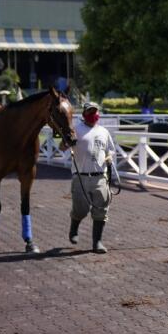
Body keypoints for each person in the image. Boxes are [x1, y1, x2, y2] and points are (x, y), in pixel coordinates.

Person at [61, 101, 116, 254]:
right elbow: (62, 147)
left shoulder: (104, 132)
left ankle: (97, 242)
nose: (93, 115)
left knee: (101, 210)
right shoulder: (76, 130)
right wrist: (66, 143)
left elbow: (111, 150)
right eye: (90, 112)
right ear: (84, 114)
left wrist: (110, 157)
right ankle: (74, 227)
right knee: (80, 210)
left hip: (100, 177)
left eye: (95, 112)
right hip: (80, 176)